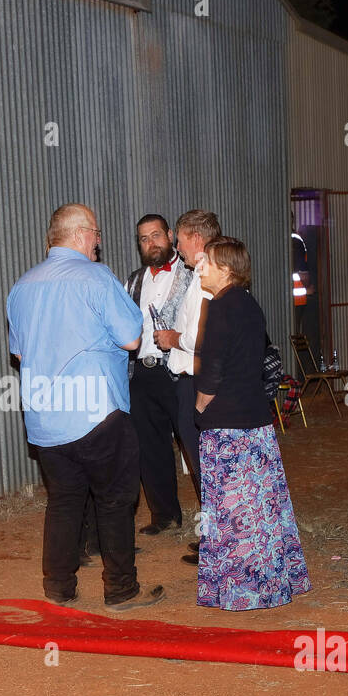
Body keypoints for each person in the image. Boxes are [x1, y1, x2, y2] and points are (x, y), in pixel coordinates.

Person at [7, 203, 164, 612]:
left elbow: (21, 356)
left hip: (45, 418)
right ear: (81, 234)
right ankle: (120, 589)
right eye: (96, 233)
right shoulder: (96, 277)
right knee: (114, 501)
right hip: (97, 413)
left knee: (63, 501)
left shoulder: (21, 287)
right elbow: (131, 338)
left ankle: (59, 587)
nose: (99, 241)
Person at [193, 237, 310, 610]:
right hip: (256, 423)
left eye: (206, 263)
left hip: (227, 427)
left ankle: (244, 590)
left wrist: (198, 406)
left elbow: (212, 370)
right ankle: (276, 582)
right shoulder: (250, 304)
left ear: (226, 269)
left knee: (232, 513)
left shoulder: (220, 307)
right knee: (263, 508)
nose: (200, 269)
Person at [124, 214, 201, 539]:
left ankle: (213, 523)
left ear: (170, 236)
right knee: (149, 446)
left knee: (195, 446)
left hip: (179, 373)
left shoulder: (193, 274)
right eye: (144, 238)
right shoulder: (133, 280)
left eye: (156, 235)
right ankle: (164, 514)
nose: (151, 242)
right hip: (141, 373)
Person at [158, 209, 221, 564]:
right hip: (189, 378)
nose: (176, 245)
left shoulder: (208, 276)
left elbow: (203, 336)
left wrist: (172, 337)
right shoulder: (198, 274)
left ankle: (216, 541)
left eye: (179, 238)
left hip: (197, 380)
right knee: (200, 465)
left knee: (204, 464)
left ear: (195, 238)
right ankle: (211, 535)